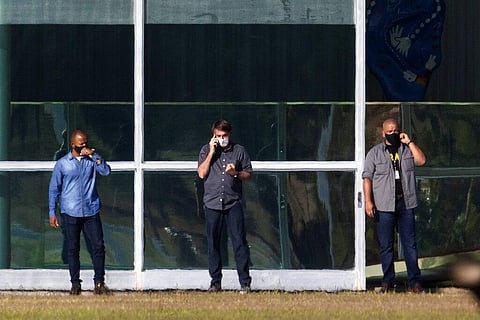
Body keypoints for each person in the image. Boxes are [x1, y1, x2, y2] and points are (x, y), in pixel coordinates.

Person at [362, 118, 427, 293]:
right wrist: (368, 201)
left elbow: (421, 161)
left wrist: (410, 142)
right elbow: (367, 177)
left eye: (395, 131)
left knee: (410, 244)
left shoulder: (406, 150)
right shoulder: (375, 153)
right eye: (389, 131)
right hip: (384, 206)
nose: (393, 134)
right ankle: (387, 281)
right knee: (386, 245)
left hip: (405, 203)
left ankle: (414, 282)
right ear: (383, 133)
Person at [48, 129, 112, 295]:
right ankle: (75, 284)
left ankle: (99, 283)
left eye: (85, 142)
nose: (84, 145)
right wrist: (52, 212)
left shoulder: (91, 160)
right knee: (73, 248)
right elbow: (54, 189)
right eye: (81, 143)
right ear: (73, 144)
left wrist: (95, 156)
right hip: (71, 210)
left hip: (91, 209)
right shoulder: (63, 163)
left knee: (98, 246)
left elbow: (105, 171)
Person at [197, 119, 253, 293]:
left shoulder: (239, 151)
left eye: (225, 135)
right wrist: (212, 152)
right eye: (219, 136)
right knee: (213, 243)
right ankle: (215, 281)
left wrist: (235, 173)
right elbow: (201, 173)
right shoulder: (206, 150)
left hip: (232, 202)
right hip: (212, 203)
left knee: (239, 242)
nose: (222, 139)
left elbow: (248, 175)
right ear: (214, 135)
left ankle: (244, 282)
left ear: (230, 134)